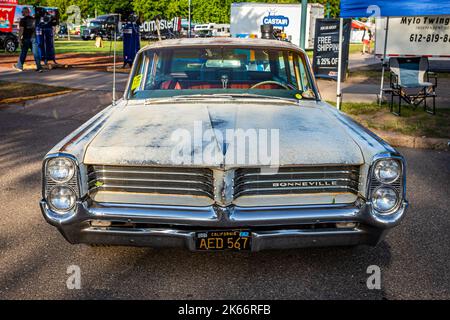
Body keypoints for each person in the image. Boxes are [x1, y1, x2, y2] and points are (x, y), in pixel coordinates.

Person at [12, 7, 42, 72]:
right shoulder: (33, 19)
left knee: (23, 52)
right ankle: (39, 67)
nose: (21, 13)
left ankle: (19, 66)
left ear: (26, 12)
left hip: (26, 38)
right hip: (34, 38)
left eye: (22, 12)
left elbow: (21, 30)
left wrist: (19, 38)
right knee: (36, 53)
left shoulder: (23, 20)